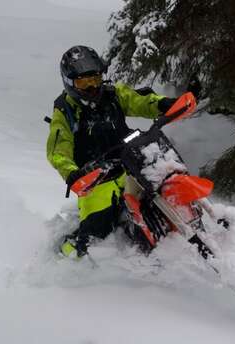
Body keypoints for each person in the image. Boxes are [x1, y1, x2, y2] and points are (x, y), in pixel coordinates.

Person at [46, 45, 179, 257]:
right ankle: (67, 254)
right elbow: (57, 150)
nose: (91, 87)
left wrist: (162, 104)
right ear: (69, 82)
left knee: (168, 183)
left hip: (131, 163)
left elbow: (139, 100)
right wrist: (72, 172)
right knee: (97, 233)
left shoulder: (113, 94)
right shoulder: (66, 110)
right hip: (95, 179)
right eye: (83, 82)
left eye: (95, 79)